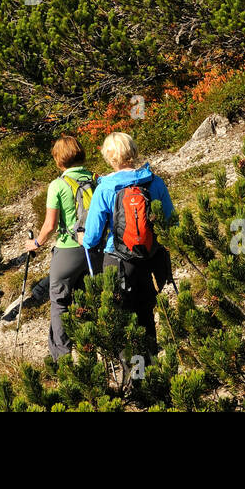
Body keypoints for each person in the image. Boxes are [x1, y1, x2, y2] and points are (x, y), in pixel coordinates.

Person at [80, 132, 173, 352]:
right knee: (146, 316)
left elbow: (92, 237)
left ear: (110, 158)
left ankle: (133, 377)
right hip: (149, 258)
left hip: (118, 261)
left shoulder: (105, 188)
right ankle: (152, 370)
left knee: (123, 320)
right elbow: (171, 220)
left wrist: (83, 238)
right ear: (133, 151)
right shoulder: (154, 181)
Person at [24, 133, 101, 359]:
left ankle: (62, 358)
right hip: (94, 250)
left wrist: (36, 243)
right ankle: (90, 353)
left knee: (59, 302)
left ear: (59, 160)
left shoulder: (58, 185)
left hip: (68, 251)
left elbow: (49, 225)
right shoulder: (97, 179)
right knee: (87, 299)